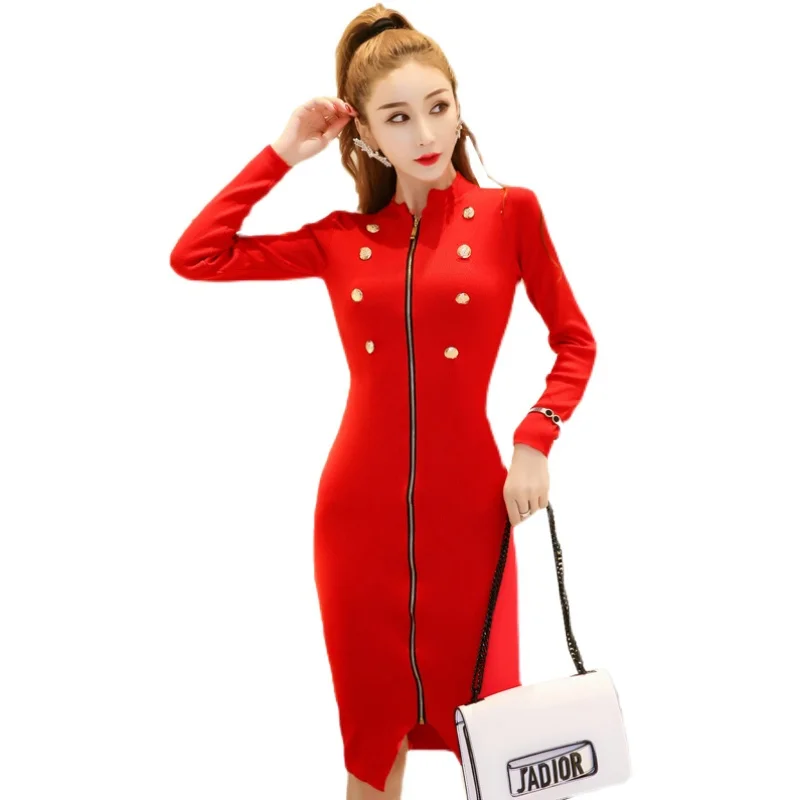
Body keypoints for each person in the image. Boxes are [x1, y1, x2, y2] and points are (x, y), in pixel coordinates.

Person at [169, 5, 596, 798]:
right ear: (364, 133)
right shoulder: (341, 238)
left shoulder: (512, 214)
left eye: (438, 106)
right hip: (356, 518)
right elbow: (197, 256)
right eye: (397, 117)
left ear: (459, 105)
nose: (425, 133)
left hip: (471, 513)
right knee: (373, 739)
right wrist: (283, 151)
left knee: (491, 733)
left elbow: (575, 341)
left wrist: (535, 438)